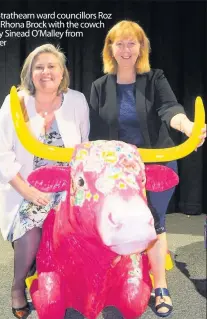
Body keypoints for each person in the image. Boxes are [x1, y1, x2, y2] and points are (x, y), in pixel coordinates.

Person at [89, 20, 206, 317]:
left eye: (132, 43)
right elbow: (95, 132)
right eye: (120, 43)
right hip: (117, 170)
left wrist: (188, 126)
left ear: (141, 47)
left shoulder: (155, 78)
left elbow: (170, 109)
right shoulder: (99, 87)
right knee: (115, 223)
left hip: (156, 163)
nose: (126, 49)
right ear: (110, 49)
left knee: (155, 223)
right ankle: (116, 282)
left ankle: (160, 286)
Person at [0, 43, 90, 319]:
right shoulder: (16, 102)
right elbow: (0, 153)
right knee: (32, 227)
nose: (45, 72)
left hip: (67, 186)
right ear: (29, 73)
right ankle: (17, 286)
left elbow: (83, 147)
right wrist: (29, 191)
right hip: (25, 187)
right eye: (39, 67)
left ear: (62, 72)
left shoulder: (77, 101)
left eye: (52, 66)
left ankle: (69, 285)